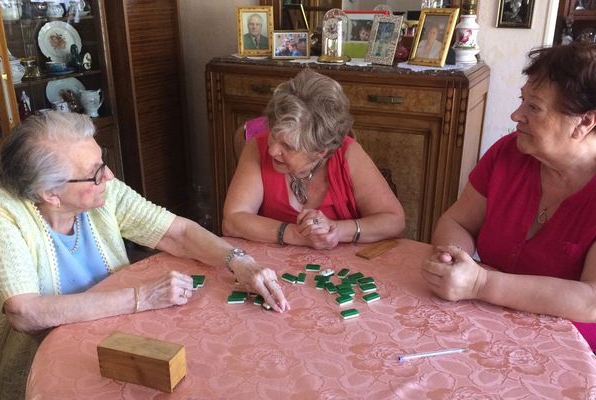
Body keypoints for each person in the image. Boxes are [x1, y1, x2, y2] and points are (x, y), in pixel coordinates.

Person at [0, 112, 289, 399]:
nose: (108, 175)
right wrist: (143, 297)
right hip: (49, 360)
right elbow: (26, 313)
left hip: (117, 335)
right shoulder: (4, 214)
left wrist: (239, 261)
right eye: (95, 172)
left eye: (103, 162)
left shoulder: (102, 191)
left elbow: (179, 233)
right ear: (50, 194)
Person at [421, 43, 596, 350]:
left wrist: (480, 284)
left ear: (583, 122)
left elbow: (591, 300)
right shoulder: (507, 152)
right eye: (522, 100)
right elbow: (457, 221)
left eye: (534, 107)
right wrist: (453, 257)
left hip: (565, 349)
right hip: (486, 327)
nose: (516, 114)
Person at [223, 69, 405, 250]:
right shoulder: (257, 148)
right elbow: (232, 220)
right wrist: (296, 234)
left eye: (288, 146)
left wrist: (335, 231)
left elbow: (394, 221)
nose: (272, 151)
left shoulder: (349, 155)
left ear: (320, 151)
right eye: (273, 133)